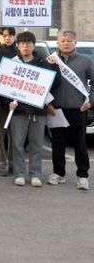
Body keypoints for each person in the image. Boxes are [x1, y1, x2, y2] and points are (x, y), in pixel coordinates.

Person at [4, 31, 59, 187]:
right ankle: (19, 174)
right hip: (18, 111)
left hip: (38, 111)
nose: (25, 47)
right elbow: (5, 85)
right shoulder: (12, 64)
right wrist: (9, 102)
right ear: (18, 46)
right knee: (17, 144)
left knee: (36, 144)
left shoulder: (43, 63)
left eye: (28, 43)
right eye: (22, 44)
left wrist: (54, 67)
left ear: (34, 46)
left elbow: (55, 84)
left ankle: (35, 174)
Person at [46, 30, 93, 190]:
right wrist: (48, 104)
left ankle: (82, 175)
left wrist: (90, 102)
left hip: (77, 109)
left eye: (69, 40)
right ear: (58, 43)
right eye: (63, 40)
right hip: (56, 109)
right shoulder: (51, 61)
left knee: (80, 143)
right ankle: (58, 173)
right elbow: (43, 84)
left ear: (75, 42)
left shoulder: (85, 61)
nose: (66, 43)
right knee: (58, 143)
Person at [0, 26, 17, 176]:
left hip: (16, 101)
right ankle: (0, 163)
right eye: (4, 35)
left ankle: (14, 163)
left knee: (16, 135)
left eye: (10, 35)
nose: (7, 38)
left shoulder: (20, 53)